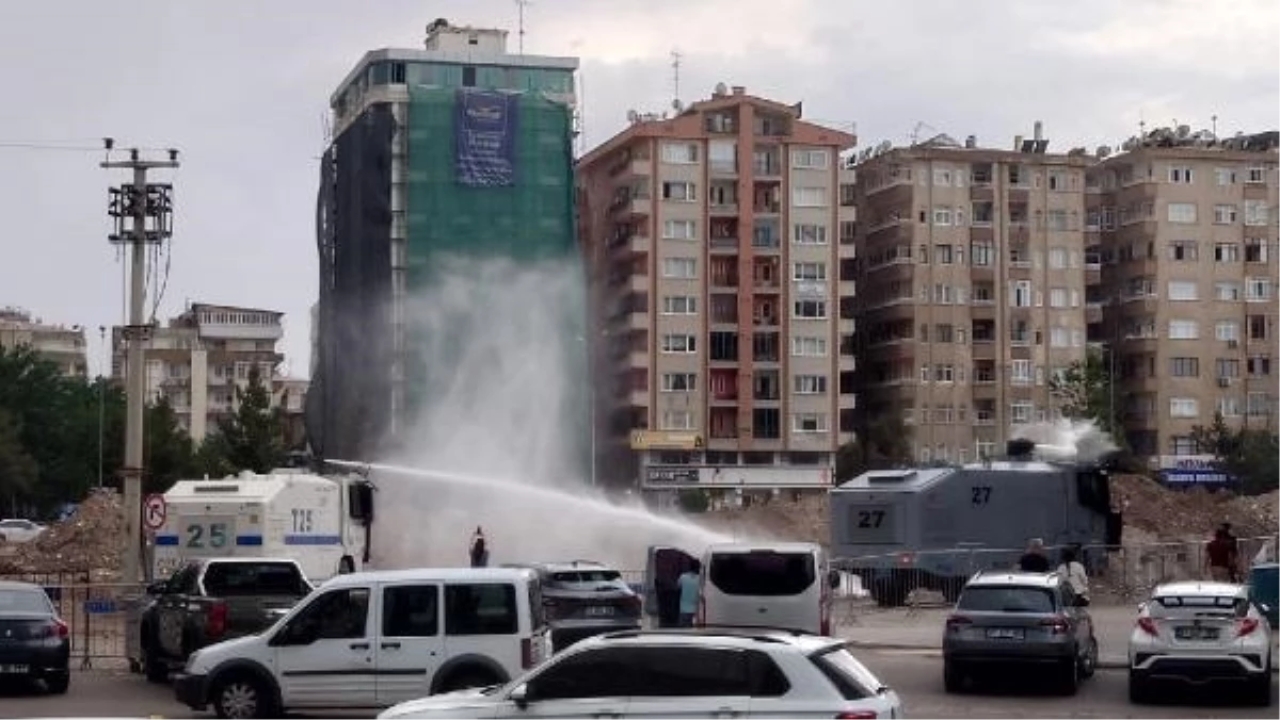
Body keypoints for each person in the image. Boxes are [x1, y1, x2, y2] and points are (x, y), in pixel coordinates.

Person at [677, 560, 701, 628]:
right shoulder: (700, 579)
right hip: (697, 611)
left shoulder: (682, 577)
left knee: (683, 633)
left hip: (683, 609)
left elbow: (678, 587)